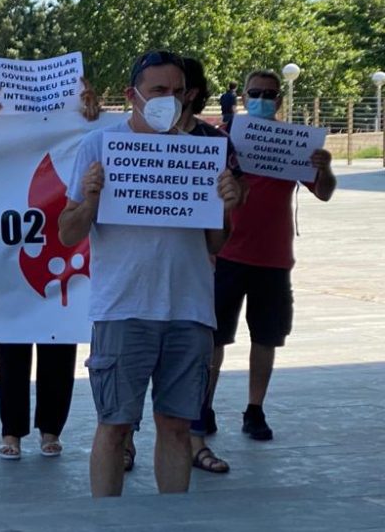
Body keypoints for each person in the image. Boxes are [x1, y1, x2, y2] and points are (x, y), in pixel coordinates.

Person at [58, 51, 241, 497]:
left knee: (177, 429)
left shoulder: (204, 150)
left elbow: (215, 244)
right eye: (158, 91)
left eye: (178, 92)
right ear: (132, 96)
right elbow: (66, 233)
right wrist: (90, 200)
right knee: (114, 428)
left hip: (190, 310)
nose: (169, 101)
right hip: (123, 310)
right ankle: (107, 523)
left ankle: (172, 523)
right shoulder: (98, 147)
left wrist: (227, 207)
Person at [0, 82, 100, 460]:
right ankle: (11, 432)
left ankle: (51, 429)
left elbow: (99, 147)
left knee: (58, 344)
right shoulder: (0, 144)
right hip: (11, 255)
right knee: (11, 345)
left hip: (63, 248)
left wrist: (91, 116)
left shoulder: (74, 138)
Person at [208, 70, 335, 443]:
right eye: (255, 92)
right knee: (213, 338)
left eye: (270, 93)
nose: (263, 98)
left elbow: (324, 193)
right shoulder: (221, 141)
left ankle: (254, 409)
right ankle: (204, 406)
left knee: (266, 338)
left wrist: (324, 168)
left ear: (279, 100)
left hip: (274, 260)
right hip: (226, 255)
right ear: (244, 98)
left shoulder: (296, 145)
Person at [175, 58, 249, 474]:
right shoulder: (131, 139)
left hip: (198, 276)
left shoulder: (214, 141)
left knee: (196, 364)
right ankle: (125, 444)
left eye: (178, 89)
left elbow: (237, 190)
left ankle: (195, 441)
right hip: (136, 281)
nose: (169, 98)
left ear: (192, 93)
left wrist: (230, 198)